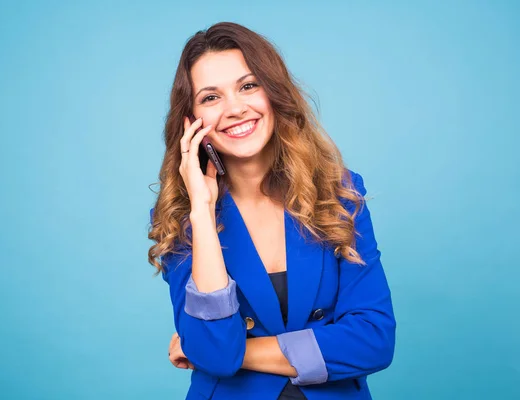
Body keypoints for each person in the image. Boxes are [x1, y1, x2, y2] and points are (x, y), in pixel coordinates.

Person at [148, 22, 396, 400]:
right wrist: (202, 210)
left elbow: (373, 340)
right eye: (211, 97)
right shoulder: (181, 215)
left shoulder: (338, 193)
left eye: (248, 86)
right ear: (190, 121)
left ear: (274, 93)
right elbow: (214, 353)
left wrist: (239, 353)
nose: (235, 109)